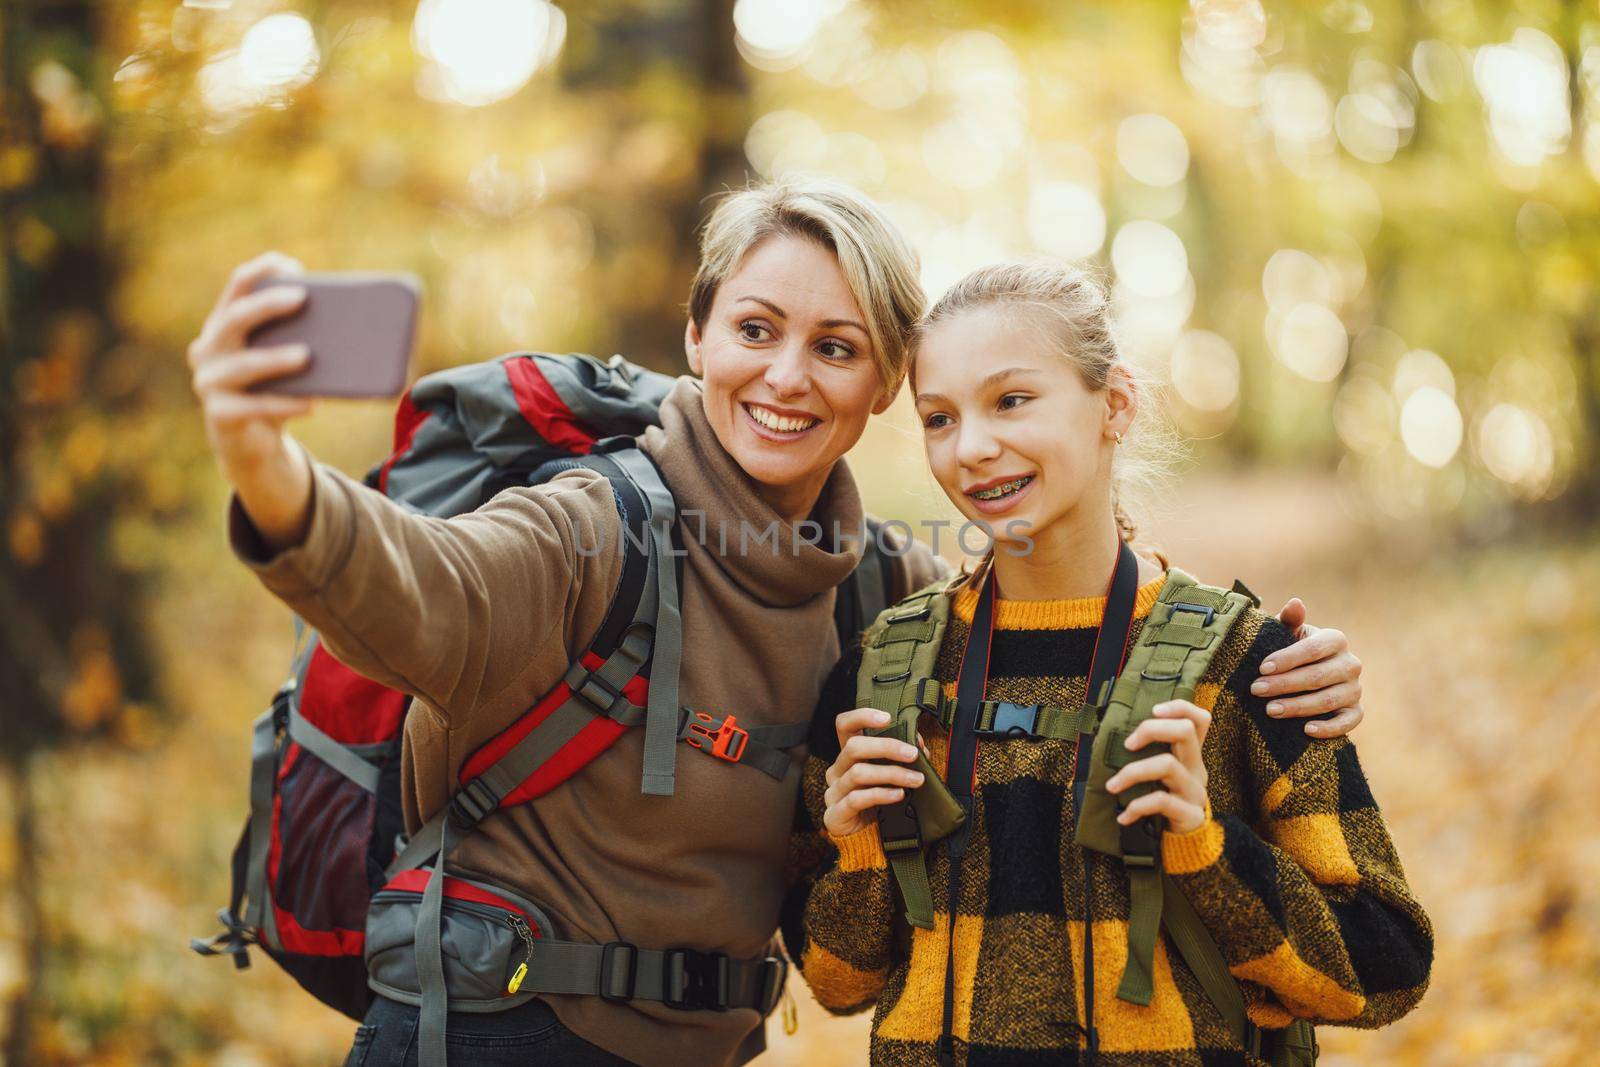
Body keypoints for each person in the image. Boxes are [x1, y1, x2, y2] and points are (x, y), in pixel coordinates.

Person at [187, 179, 1367, 1066]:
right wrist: (268, 469)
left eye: (836, 347)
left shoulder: (885, 591)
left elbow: (1060, 590)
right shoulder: (592, 523)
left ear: (881, 384)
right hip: (491, 1031)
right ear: (697, 337)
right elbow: (417, 587)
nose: (788, 376)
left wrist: (1267, 669)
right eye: (755, 330)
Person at [796, 260, 1431, 1065]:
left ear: (1115, 404)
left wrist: (1206, 848)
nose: (974, 447)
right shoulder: (885, 671)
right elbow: (836, 983)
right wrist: (855, 845)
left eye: (1011, 400)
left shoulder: (1249, 665)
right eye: (938, 418)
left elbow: (1386, 971)